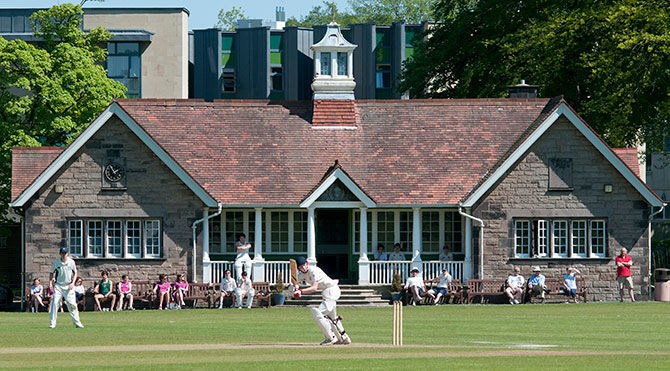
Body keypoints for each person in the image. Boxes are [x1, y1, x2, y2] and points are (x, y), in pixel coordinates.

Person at [291, 256, 351, 345]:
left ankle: (330, 338)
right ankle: (344, 338)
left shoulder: (314, 270)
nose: (303, 267)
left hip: (332, 290)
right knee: (332, 318)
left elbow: (314, 288)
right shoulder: (301, 275)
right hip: (326, 292)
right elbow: (294, 284)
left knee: (318, 314)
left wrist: (300, 291)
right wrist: (294, 287)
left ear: (307, 263)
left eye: (304, 265)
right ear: (298, 268)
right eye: (300, 266)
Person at [48, 247, 84, 328]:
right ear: (60, 253)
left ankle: (77, 323)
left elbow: (75, 273)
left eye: (65, 253)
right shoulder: (57, 262)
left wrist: (72, 283)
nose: (64, 255)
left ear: (67, 254)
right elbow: (51, 273)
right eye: (62, 253)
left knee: (72, 304)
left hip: (68, 286)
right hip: (58, 286)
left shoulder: (71, 262)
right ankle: (52, 323)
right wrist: (50, 283)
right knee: (54, 303)